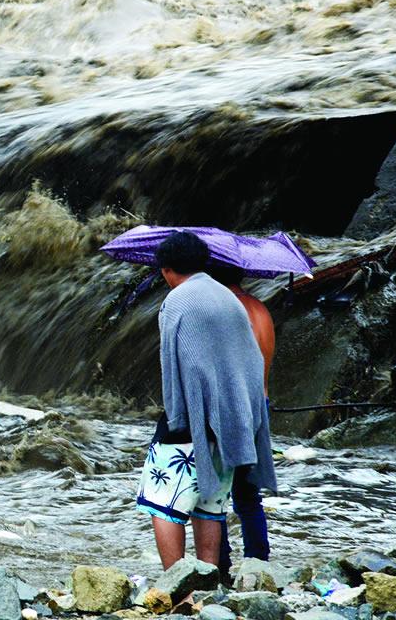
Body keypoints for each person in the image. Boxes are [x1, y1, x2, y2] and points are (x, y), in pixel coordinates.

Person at [135, 232, 277, 569]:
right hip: (234, 418)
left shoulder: (179, 300)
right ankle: (208, 580)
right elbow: (252, 361)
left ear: (166, 269)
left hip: (193, 418)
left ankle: (179, 583)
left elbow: (173, 361)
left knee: (162, 500)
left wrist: (177, 418)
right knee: (210, 503)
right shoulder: (229, 299)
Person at [207, 263, 274, 574]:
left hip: (232, 407)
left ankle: (220, 566)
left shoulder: (227, 311)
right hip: (260, 403)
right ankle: (259, 566)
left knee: (215, 492)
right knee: (249, 497)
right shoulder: (261, 309)